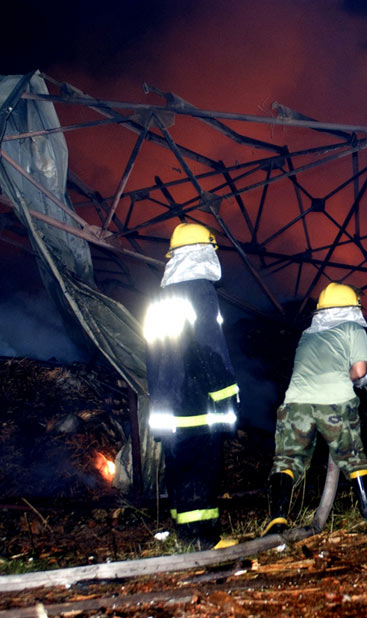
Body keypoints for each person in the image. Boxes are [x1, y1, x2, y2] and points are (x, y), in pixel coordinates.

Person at [263, 282, 367, 535]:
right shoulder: (353, 328)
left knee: (287, 460)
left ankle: (276, 519)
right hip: (335, 401)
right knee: (352, 457)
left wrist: (364, 370)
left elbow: (322, 365)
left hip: (296, 402)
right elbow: (358, 372)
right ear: (352, 306)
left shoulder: (308, 334)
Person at [143, 222, 240, 550]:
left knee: (180, 470)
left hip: (168, 405)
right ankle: (204, 539)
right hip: (196, 403)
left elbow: (152, 358)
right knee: (202, 469)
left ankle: (186, 536)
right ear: (203, 252)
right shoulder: (200, 291)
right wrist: (226, 394)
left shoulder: (160, 298)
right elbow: (209, 347)